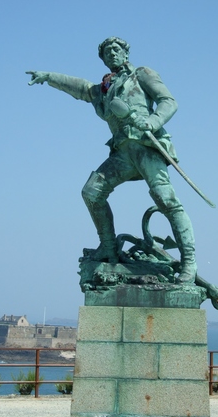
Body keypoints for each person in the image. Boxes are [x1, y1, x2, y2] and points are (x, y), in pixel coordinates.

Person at [26, 37, 197, 283]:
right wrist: (49, 77)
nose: (112, 54)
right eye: (107, 52)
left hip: (146, 147)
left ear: (126, 53)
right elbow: (81, 87)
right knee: (91, 192)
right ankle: (108, 246)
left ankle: (189, 262)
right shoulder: (104, 89)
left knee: (166, 199)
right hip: (122, 153)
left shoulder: (142, 74)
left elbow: (169, 101)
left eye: (116, 49)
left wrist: (153, 121)